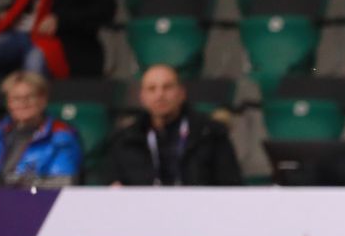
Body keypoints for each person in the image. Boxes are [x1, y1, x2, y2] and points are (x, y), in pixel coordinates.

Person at [89, 64, 242, 186]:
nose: (159, 95)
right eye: (152, 89)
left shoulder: (210, 134)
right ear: (142, 97)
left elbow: (232, 187)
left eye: (167, 87)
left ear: (181, 93)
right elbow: (112, 185)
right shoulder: (124, 140)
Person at [0, 69, 81, 188]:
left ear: (43, 100)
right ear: (9, 103)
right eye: (16, 98)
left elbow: (64, 181)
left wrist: (19, 182)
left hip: (33, 203)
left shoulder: (60, 137)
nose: (23, 103)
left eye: (29, 97)